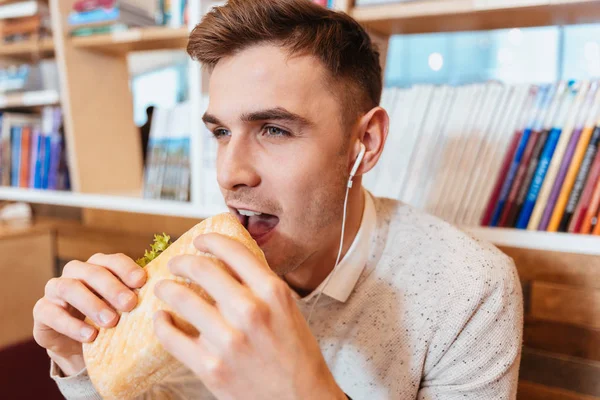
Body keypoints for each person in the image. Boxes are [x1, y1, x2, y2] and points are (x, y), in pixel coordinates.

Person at [33, 0, 523, 398]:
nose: (229, 173)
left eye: (274, 129)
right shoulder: (199, 273)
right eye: (221, 132)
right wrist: (85, 363)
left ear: (366, 143)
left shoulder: (469, 289)